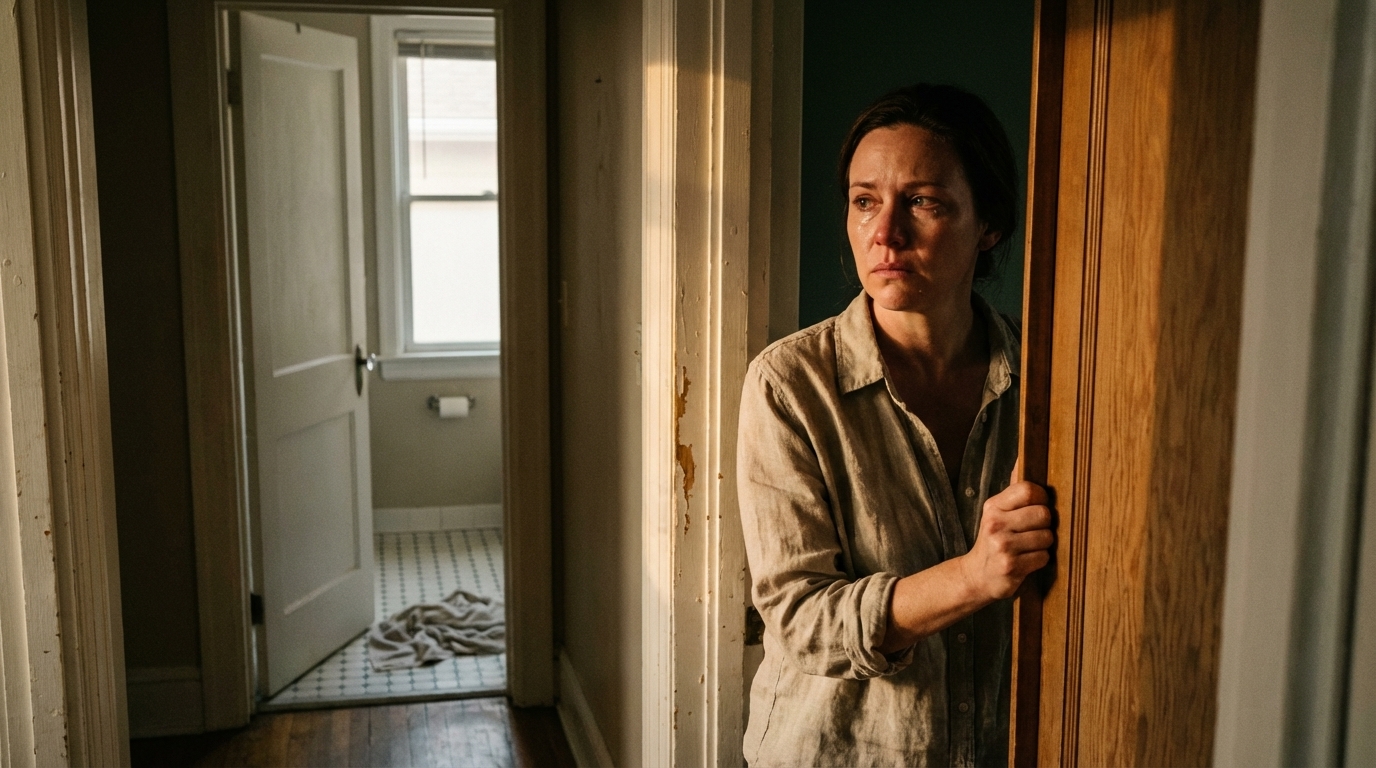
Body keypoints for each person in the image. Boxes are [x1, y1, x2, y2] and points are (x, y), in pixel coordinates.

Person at [737, 83, 1055, 767]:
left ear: (990, 221)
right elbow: (799, 621)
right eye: (864, 201)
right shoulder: (789, 385)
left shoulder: (1050, 382)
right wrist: (972, 576)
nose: (886, 233)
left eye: (923, 201)